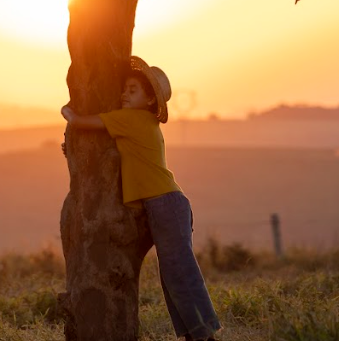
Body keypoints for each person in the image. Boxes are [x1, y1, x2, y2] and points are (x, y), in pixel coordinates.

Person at [61, 56, 221, 341]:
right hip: (166, 203)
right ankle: (194, 333)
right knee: (171, 273)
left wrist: (69, 112)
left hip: (165, 203)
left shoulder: (131, 119)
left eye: (132, 90)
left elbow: (84, 122)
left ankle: (204, 333)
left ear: (149, 100)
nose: (124, 94)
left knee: (179, 271)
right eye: (125, 89)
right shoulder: (141, 121)